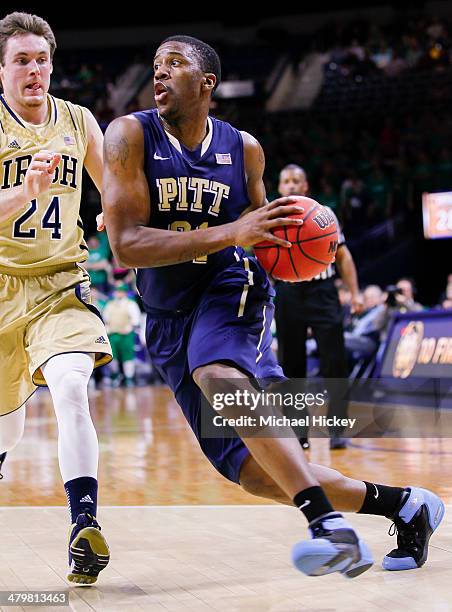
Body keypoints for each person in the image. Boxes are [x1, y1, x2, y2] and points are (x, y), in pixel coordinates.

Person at [101, 34, 444, 577]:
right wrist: (230, 229)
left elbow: (262, 235)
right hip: (166, 314)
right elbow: (125, 247)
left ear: (207, 82)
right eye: (154, 66)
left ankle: (327, 528)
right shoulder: (128, 135)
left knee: (216, 371)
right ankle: (405, 506)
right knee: (254, 472)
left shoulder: (245, 149)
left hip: (230, 287)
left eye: (174, 64)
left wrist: (302, 240)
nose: (159, 74)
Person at [0, 12, 111, 584]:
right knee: (6, 428)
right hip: (1, 288)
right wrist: (24, 193)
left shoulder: (79, 120)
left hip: (59, 283)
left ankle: (83, 528)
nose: (35, 70)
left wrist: (115, 212)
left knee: (71, 387)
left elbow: (117, 184)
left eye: (42, 59)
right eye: (22, 60)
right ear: (2, 68)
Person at [274, 164, 363, 450]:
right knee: (291, 365)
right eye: (285, 181)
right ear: (279, 188)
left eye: (296, 180)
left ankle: (337, 428)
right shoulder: (271, 216)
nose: (290, 185)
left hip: (323, 291)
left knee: (334, 362)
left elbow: (344, 257)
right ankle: (298, 431)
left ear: (305, 186)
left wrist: (355, 292)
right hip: (288, 292)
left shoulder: (324, 214)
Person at [103, 283, 141, 387]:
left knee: (127, 357)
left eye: (121, 291)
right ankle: (116, 375)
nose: (119, 293)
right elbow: (106, 319)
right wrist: (109, 329)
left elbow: (135, 320)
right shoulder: (110, 304)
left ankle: (129, 378)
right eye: (117, 291)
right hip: (113, 334)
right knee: (112, 356)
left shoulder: (130, 304)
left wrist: (129, 328)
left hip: (126, 335)